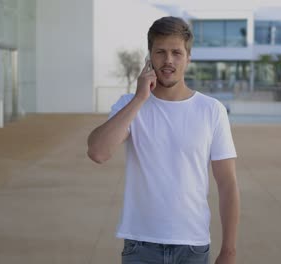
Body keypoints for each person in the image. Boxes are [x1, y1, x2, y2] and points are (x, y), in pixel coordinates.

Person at [87, 16, 239, 264]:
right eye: (160, 52)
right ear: (149, 58)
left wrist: (229, 251)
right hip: (140, 246)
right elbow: (98, 152)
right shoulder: (130, 105)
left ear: (188, 58)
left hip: (193, 246)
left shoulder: (211, 110)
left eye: (176, 53)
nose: (168, 60)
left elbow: (227, 183)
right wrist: (139, 99)